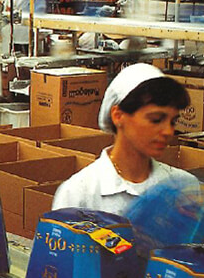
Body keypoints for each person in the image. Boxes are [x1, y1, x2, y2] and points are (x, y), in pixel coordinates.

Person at [52, 64, 199, 215]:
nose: (168, 131)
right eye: (156, 119)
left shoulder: (183, 187)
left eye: (173, 121)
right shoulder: (78, 194)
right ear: (118, 116)